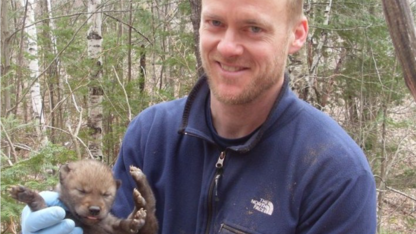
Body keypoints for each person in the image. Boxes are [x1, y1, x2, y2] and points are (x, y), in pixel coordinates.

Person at [19, 0, 377, 233]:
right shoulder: (151, 133)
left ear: (296, 35)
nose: (228, 47)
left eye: (254, 28)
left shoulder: (334, 172)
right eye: (216, 22)